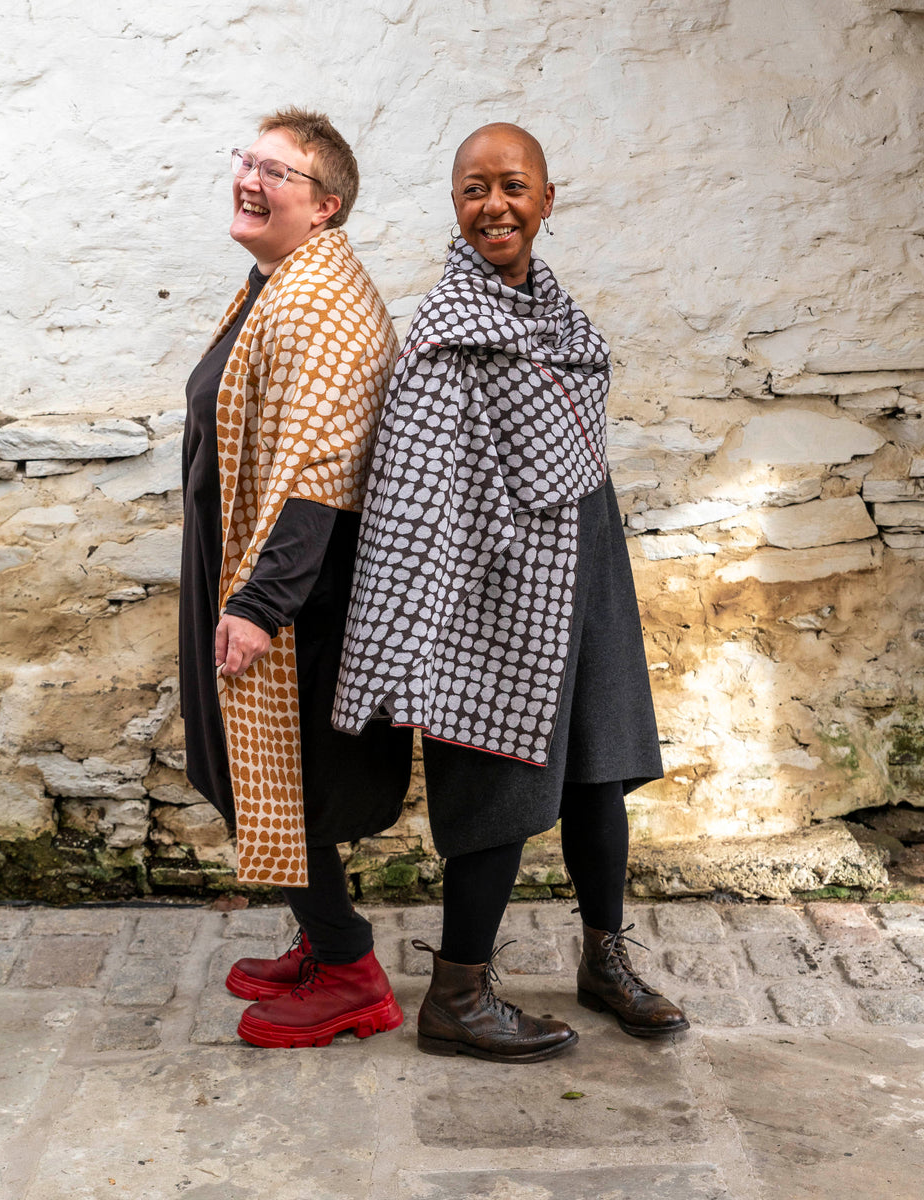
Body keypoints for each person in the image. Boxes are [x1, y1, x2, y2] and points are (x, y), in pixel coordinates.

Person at [333, 123, 688, 1062]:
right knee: (496, 784)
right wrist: (427, 621)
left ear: (546, 198)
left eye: (512, 186)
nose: (494, 205)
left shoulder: (558, 319)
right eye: (473, 190)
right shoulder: (449, 333)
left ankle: (605, 958)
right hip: (494, 583)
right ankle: (457, 995)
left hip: (587, 552)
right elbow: (413, 488)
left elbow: (575, 448)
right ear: (456, 206)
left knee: (601, 767)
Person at [179, 107, 413, 1049]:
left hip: (299, 592)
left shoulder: (318, 306)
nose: (250, 178)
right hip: (255, 568)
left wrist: (259, 605)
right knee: (263, 771)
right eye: (246, 160)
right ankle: (323, 944)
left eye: (276, 171)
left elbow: (316, 473)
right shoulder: (278, 284)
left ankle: (351, 970)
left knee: (281, 778)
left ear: (326, 206)